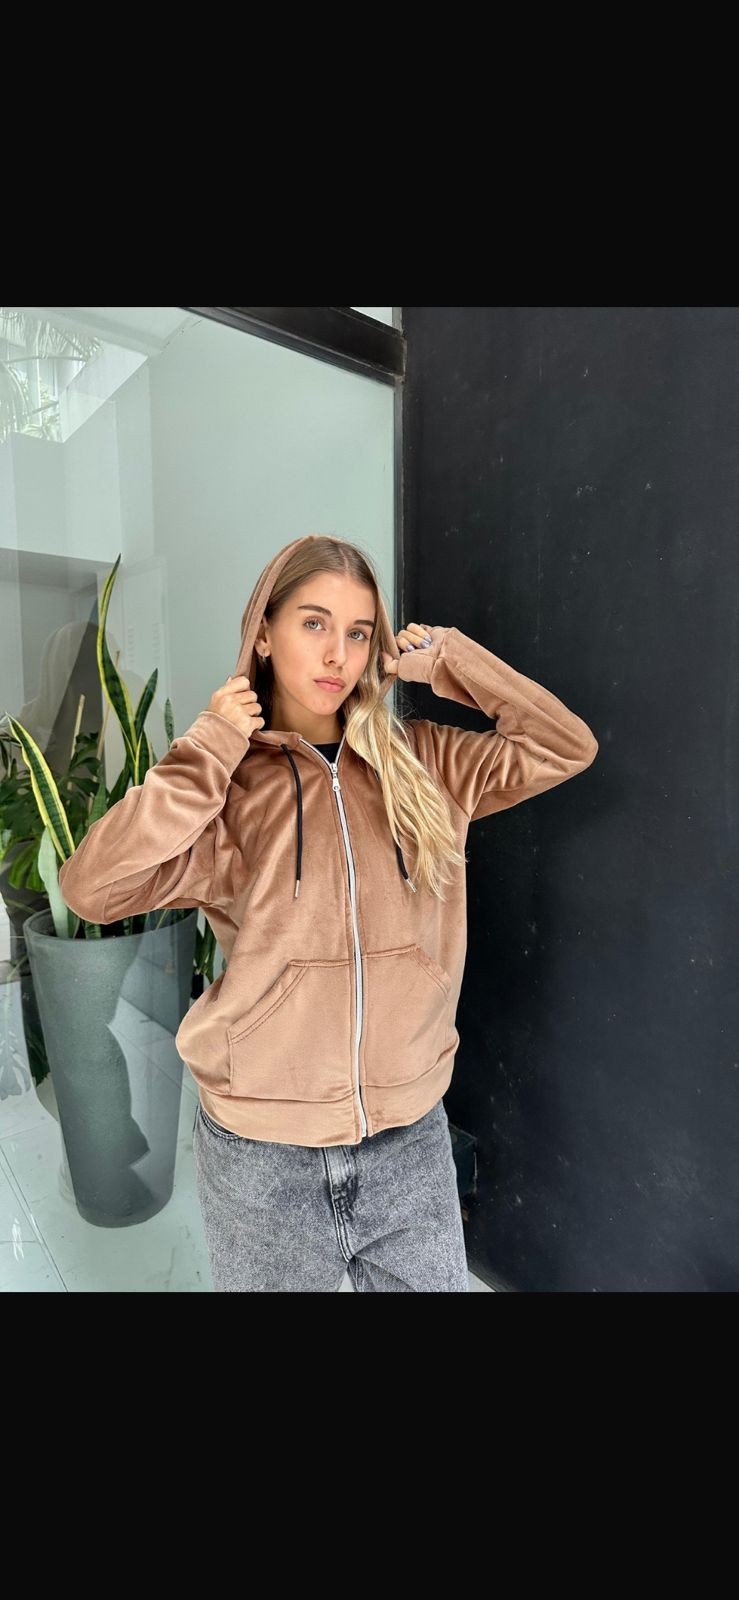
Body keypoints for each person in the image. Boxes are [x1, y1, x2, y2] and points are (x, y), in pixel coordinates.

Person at [59, 534, 598, 1291]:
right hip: (261, 1155)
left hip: (408, 1141)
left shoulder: (427, 764)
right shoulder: (226, 790)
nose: (337, 654)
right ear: (264, 635)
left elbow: (564, 746)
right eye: (313, 623)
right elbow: (92, 887)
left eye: (358, 632)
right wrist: (209, 750)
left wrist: (450, 662)